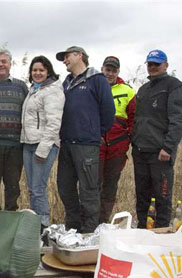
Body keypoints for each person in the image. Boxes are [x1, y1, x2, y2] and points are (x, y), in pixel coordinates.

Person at [55, 46, 115, 233]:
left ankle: (89, 232)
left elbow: (108, 112)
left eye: (67, 56)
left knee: (88, 191)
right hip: (66, 144)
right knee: (65, 188)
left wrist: (94, 132)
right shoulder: (65, 83)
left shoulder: (97, 80)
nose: (64, 60)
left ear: (79, 55)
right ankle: (72, 229)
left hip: (86, 145)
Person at [132, 49, 182, 228]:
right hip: (140, 151)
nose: (153, 67)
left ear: (166, 65)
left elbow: (180, 120)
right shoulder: (143, 89)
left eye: (157, 64)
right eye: (150, 64)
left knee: (162, 197)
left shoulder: (175, 86)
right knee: (142, 197)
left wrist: (168, 147)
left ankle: (162, 234)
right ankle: (142, 231)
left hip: (160, 153)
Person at [20, 56, 65, 227]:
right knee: (32, 188)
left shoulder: (53, 91)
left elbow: (54, 123)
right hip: (28, 143)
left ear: (48, 72)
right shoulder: (34, 90)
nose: (37, 73)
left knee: (38, 188)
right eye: (34, 70)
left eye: (41, 70)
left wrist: (43, 149)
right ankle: (34, 224)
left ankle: (43, 225)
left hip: (43, 145)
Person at [0, 48, 28, 211]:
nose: (1, 64)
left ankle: (10, 222)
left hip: (15, 145)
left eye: (4, 61)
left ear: (10, 63)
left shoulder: (21, 86)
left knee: (13, 187)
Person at [99, 56, 136, 223]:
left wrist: (127, 140)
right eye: (108, 70)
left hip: (117, 146)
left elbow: (134, 120)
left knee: (110, 186)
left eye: (114, 70)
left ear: (118, 72)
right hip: (97, 145)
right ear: (102, 69)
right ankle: (89, 224)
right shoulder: (95, 86)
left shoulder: (128, 91)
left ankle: (103, 222)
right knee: (93, 185)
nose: (110, 73)